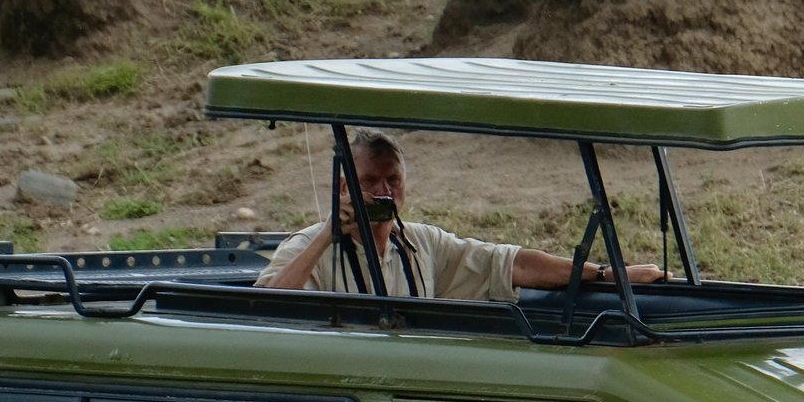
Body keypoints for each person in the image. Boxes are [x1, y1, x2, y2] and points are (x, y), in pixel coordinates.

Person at [257, 130, 666, 298]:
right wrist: (329, 232)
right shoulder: (313, 244)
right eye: (370, 181)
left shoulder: (419, 244)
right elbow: (263, 308)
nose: (384, 192)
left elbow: (509, 263)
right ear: (345, 187)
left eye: (393, 181)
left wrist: (611, 274)